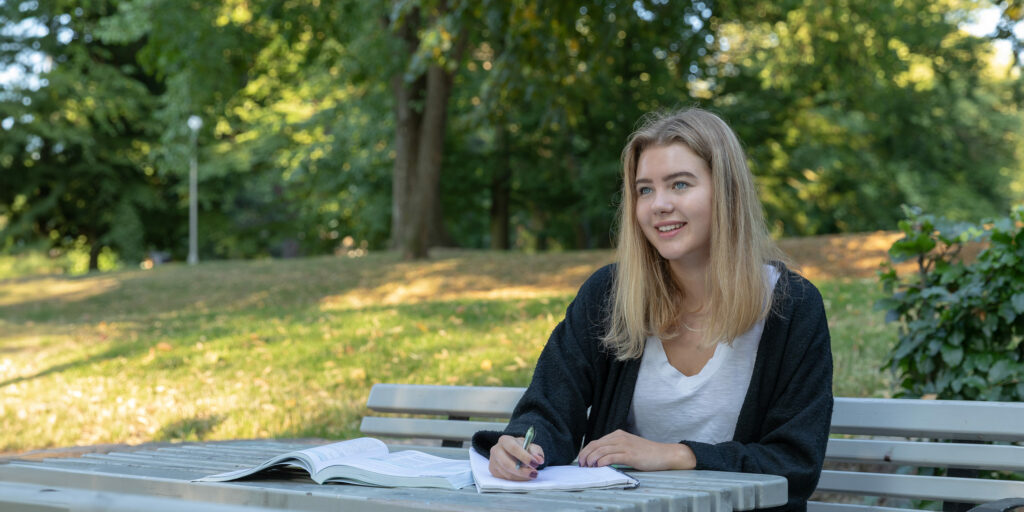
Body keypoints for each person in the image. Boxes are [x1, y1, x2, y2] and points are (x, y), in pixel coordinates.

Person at [471, 107, 833, 511]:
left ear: (727, 192)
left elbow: (796, 463)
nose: (658, 205)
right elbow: (551, 407)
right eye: (645, 189)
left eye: (679, 184)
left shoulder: (791, 307)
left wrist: (677, 455)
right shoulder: (609, 295)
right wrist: (522, 444)